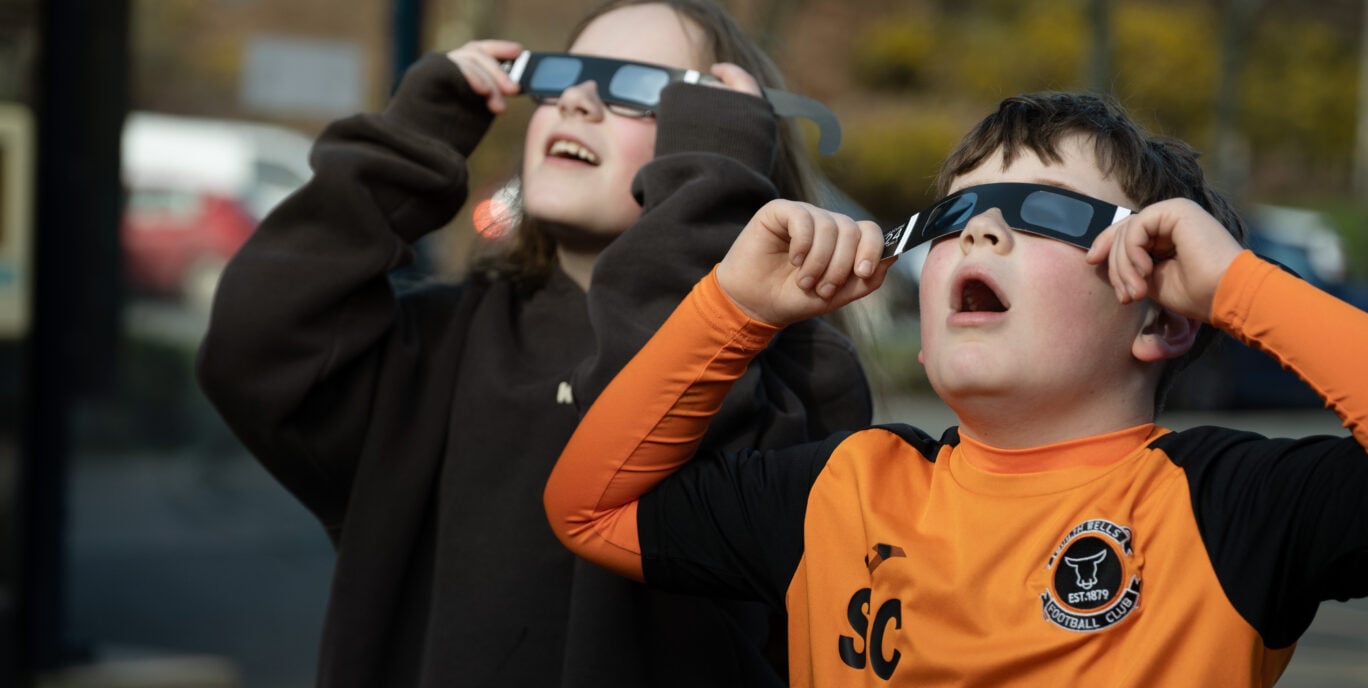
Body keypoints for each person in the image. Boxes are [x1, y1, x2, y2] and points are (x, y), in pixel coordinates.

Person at [544, 91, 1368, 686]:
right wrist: (735, 307)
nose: (979, 229)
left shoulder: (1233, 506)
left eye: (1045, 211)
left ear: (1159, 315)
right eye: (953, 214)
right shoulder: (845, 493)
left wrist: (1238, 287)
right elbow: (589, 509)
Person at [195, 1, 872, 686]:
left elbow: (665, 460)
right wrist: (411, 143)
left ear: (728, 137)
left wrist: (713, 196)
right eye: (560, 78)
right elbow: (254, 345)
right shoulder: (438, 345)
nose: (576, 101)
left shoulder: (803, 376)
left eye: (641, 89)